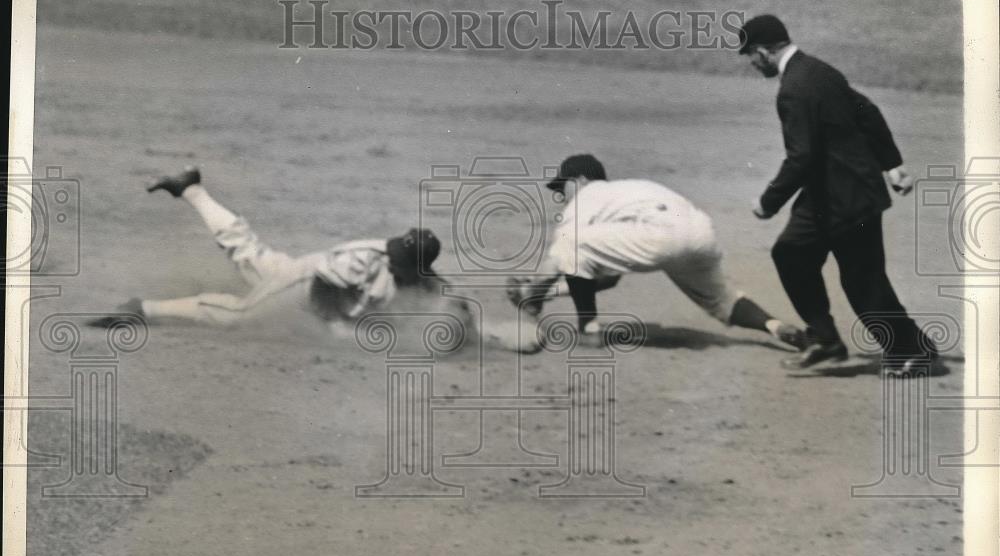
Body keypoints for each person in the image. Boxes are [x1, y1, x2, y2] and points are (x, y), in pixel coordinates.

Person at [737, 14, 937, 374]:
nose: (751, 63)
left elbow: (802, 157)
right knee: (791, 253)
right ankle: (825, 339)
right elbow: (868, 111)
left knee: (863, 280)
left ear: (764, 51)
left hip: (848, 197)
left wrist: (768, 202)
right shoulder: (819, 70)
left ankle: (913, 349)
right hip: (825, 196)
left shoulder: (794, 88)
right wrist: (892, 164)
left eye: (750, 55)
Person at [505, 154, 806, 351]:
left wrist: (533, 292)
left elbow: (562, 251)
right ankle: (775, 326)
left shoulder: (590, 195)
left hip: (659, 235)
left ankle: (588, 329)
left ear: (580, 181)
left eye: (564, 187)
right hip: (700, 232)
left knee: (571, 239)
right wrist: (547, 293)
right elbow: (608, 278)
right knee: (723, 300)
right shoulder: (629, 194)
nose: (563, 195)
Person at [87, 167, 445, 331]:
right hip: (303, 282)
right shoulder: (365, 260)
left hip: (302, 270)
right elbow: (322, 289)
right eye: (396, 253)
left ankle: (191, 189)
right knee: (241, 313)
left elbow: (441, 303)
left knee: (246, 251)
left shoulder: (421, 279)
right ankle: (144, 309)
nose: (394, 258)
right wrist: (332, 326)